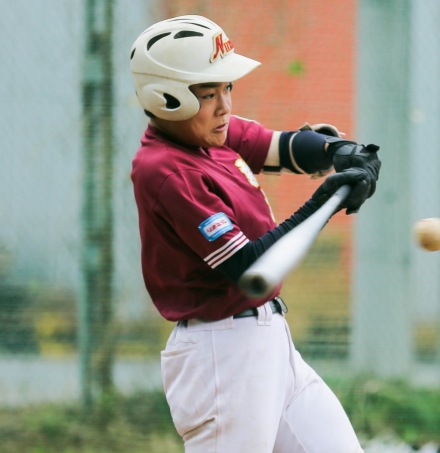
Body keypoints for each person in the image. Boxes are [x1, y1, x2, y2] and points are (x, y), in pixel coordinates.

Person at [129, 15, 380, 453]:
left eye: (226, 87)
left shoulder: (209, 135)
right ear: (165, 99)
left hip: (270, 343)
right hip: (222, 357)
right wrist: (326, 199)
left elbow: (281, 147)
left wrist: (339, 152)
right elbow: (250, 267)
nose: (224, 105)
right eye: (208, 94)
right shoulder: (166, 171)